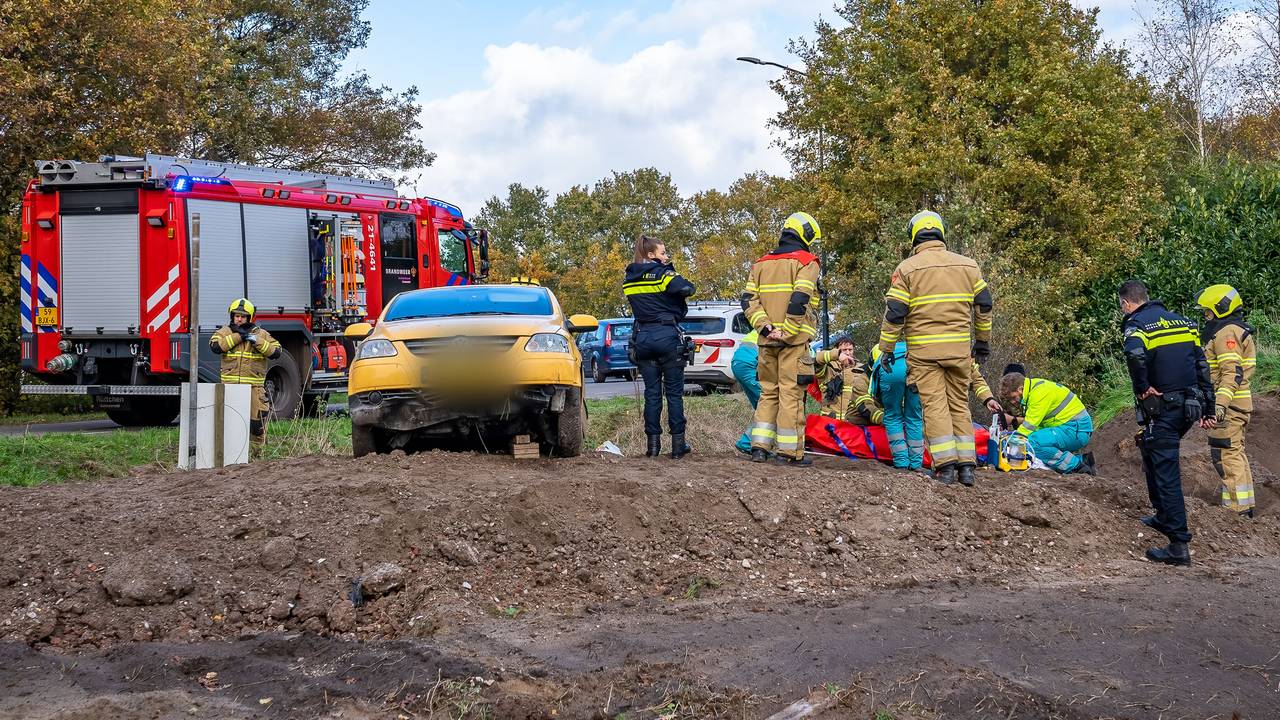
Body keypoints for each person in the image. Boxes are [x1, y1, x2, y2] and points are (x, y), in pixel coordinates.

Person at [878, 210, 993, 486]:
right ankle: (967, 467)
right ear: (941, 233)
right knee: (959, 405)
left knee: (935, 407)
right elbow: (985, 303)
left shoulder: (906, 269)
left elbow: (895, 312)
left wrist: (887, 348)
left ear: (914, 236)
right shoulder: (969, 266)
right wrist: (982, 342)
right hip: (958, 351)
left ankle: (945, 468)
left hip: (924, 354)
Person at [1119, 279, 1214, 566]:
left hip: (1164, 406)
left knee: (1166, 470)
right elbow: (1202, 365)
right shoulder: (1184, 323)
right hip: (1190, 406)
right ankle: (1162, 514)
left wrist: (1143, 388)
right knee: (1149, 448)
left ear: (1126, 303)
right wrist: (1209, 408)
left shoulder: (1135, 324)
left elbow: (1135, 355)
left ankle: (1178, 544)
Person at [743, 212, 823, 465]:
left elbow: (748, 301)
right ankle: (790, 453)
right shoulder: (807, 261)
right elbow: (800, 299)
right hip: (794, 341)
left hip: (766, 341)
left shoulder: (760, 263)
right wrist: (787, 332)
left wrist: (766, 329)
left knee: (768, 393)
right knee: (791, 394)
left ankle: (759, 448)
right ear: (806, 235)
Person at [623, 235, 696, 459]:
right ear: (651, 254)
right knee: (674, 394)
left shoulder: (629, 280)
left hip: (642, 337)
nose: (666, 256)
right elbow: (688, 289)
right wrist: (669, 268)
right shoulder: (663, 275)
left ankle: (653, 447)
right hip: (666, 336)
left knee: (652, 395)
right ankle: (678, 446)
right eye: (663, 253)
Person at [1196, 284, 1257, 517]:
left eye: (1208, 312)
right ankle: (1245, 505)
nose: (1206, 316)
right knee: (1234, 453)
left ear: (1220, 308)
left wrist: (1218, 405)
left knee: (1225, 454)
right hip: (1236, 404)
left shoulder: (1226, 332)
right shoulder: (1233, 329)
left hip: (1229, 406)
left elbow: (1231, 372)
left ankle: (1236, 511)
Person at [210, 298, 282, 448]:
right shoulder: (224, 332)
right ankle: (230, 454)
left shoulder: (261, 334)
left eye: (243, 316)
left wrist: (257, 341)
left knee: (257, 424)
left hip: (254, 388)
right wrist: (239, 336)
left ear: (249, 318)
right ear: (232, 316)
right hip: (229, 387)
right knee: (228, 424)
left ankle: (256, 456)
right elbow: (215, 346)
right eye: (236, 316)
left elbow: (276, 352)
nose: (239, 319)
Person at [998, 372, 1095, 474]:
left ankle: (1077, 467)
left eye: (1013, 397)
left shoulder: (1038, 394)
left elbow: (1027, 428)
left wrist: (1007, 443)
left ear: (1020, 389)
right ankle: (1083, 460)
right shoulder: (1035, 388)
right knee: (1036, 440)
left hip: (1076, 429)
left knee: (1033, 443)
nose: (1013, 402)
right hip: (1074, 428)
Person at [870, 342, 923, 469]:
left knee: (893, 416)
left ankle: (901, 463)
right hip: (916, 367)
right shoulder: (909, 346)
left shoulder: (879, 358)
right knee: (915, 416)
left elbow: (875, 394)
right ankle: (916, 464)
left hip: (890, 368)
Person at [816, 336, 882, 424]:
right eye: (844, 350)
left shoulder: (863, 369)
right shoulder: (828, 368)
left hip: (855, 424)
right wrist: (837, 355)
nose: (847, 353)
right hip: (830, 422)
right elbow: (817, 360)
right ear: (837, 350)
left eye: (850, 350)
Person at [733, 329, 760, 453]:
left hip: (739, 362)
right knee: (770, 407)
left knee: (762, 406)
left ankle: (758, 443)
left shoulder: (767, 323)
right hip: (750, 364)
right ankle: (747, 442)